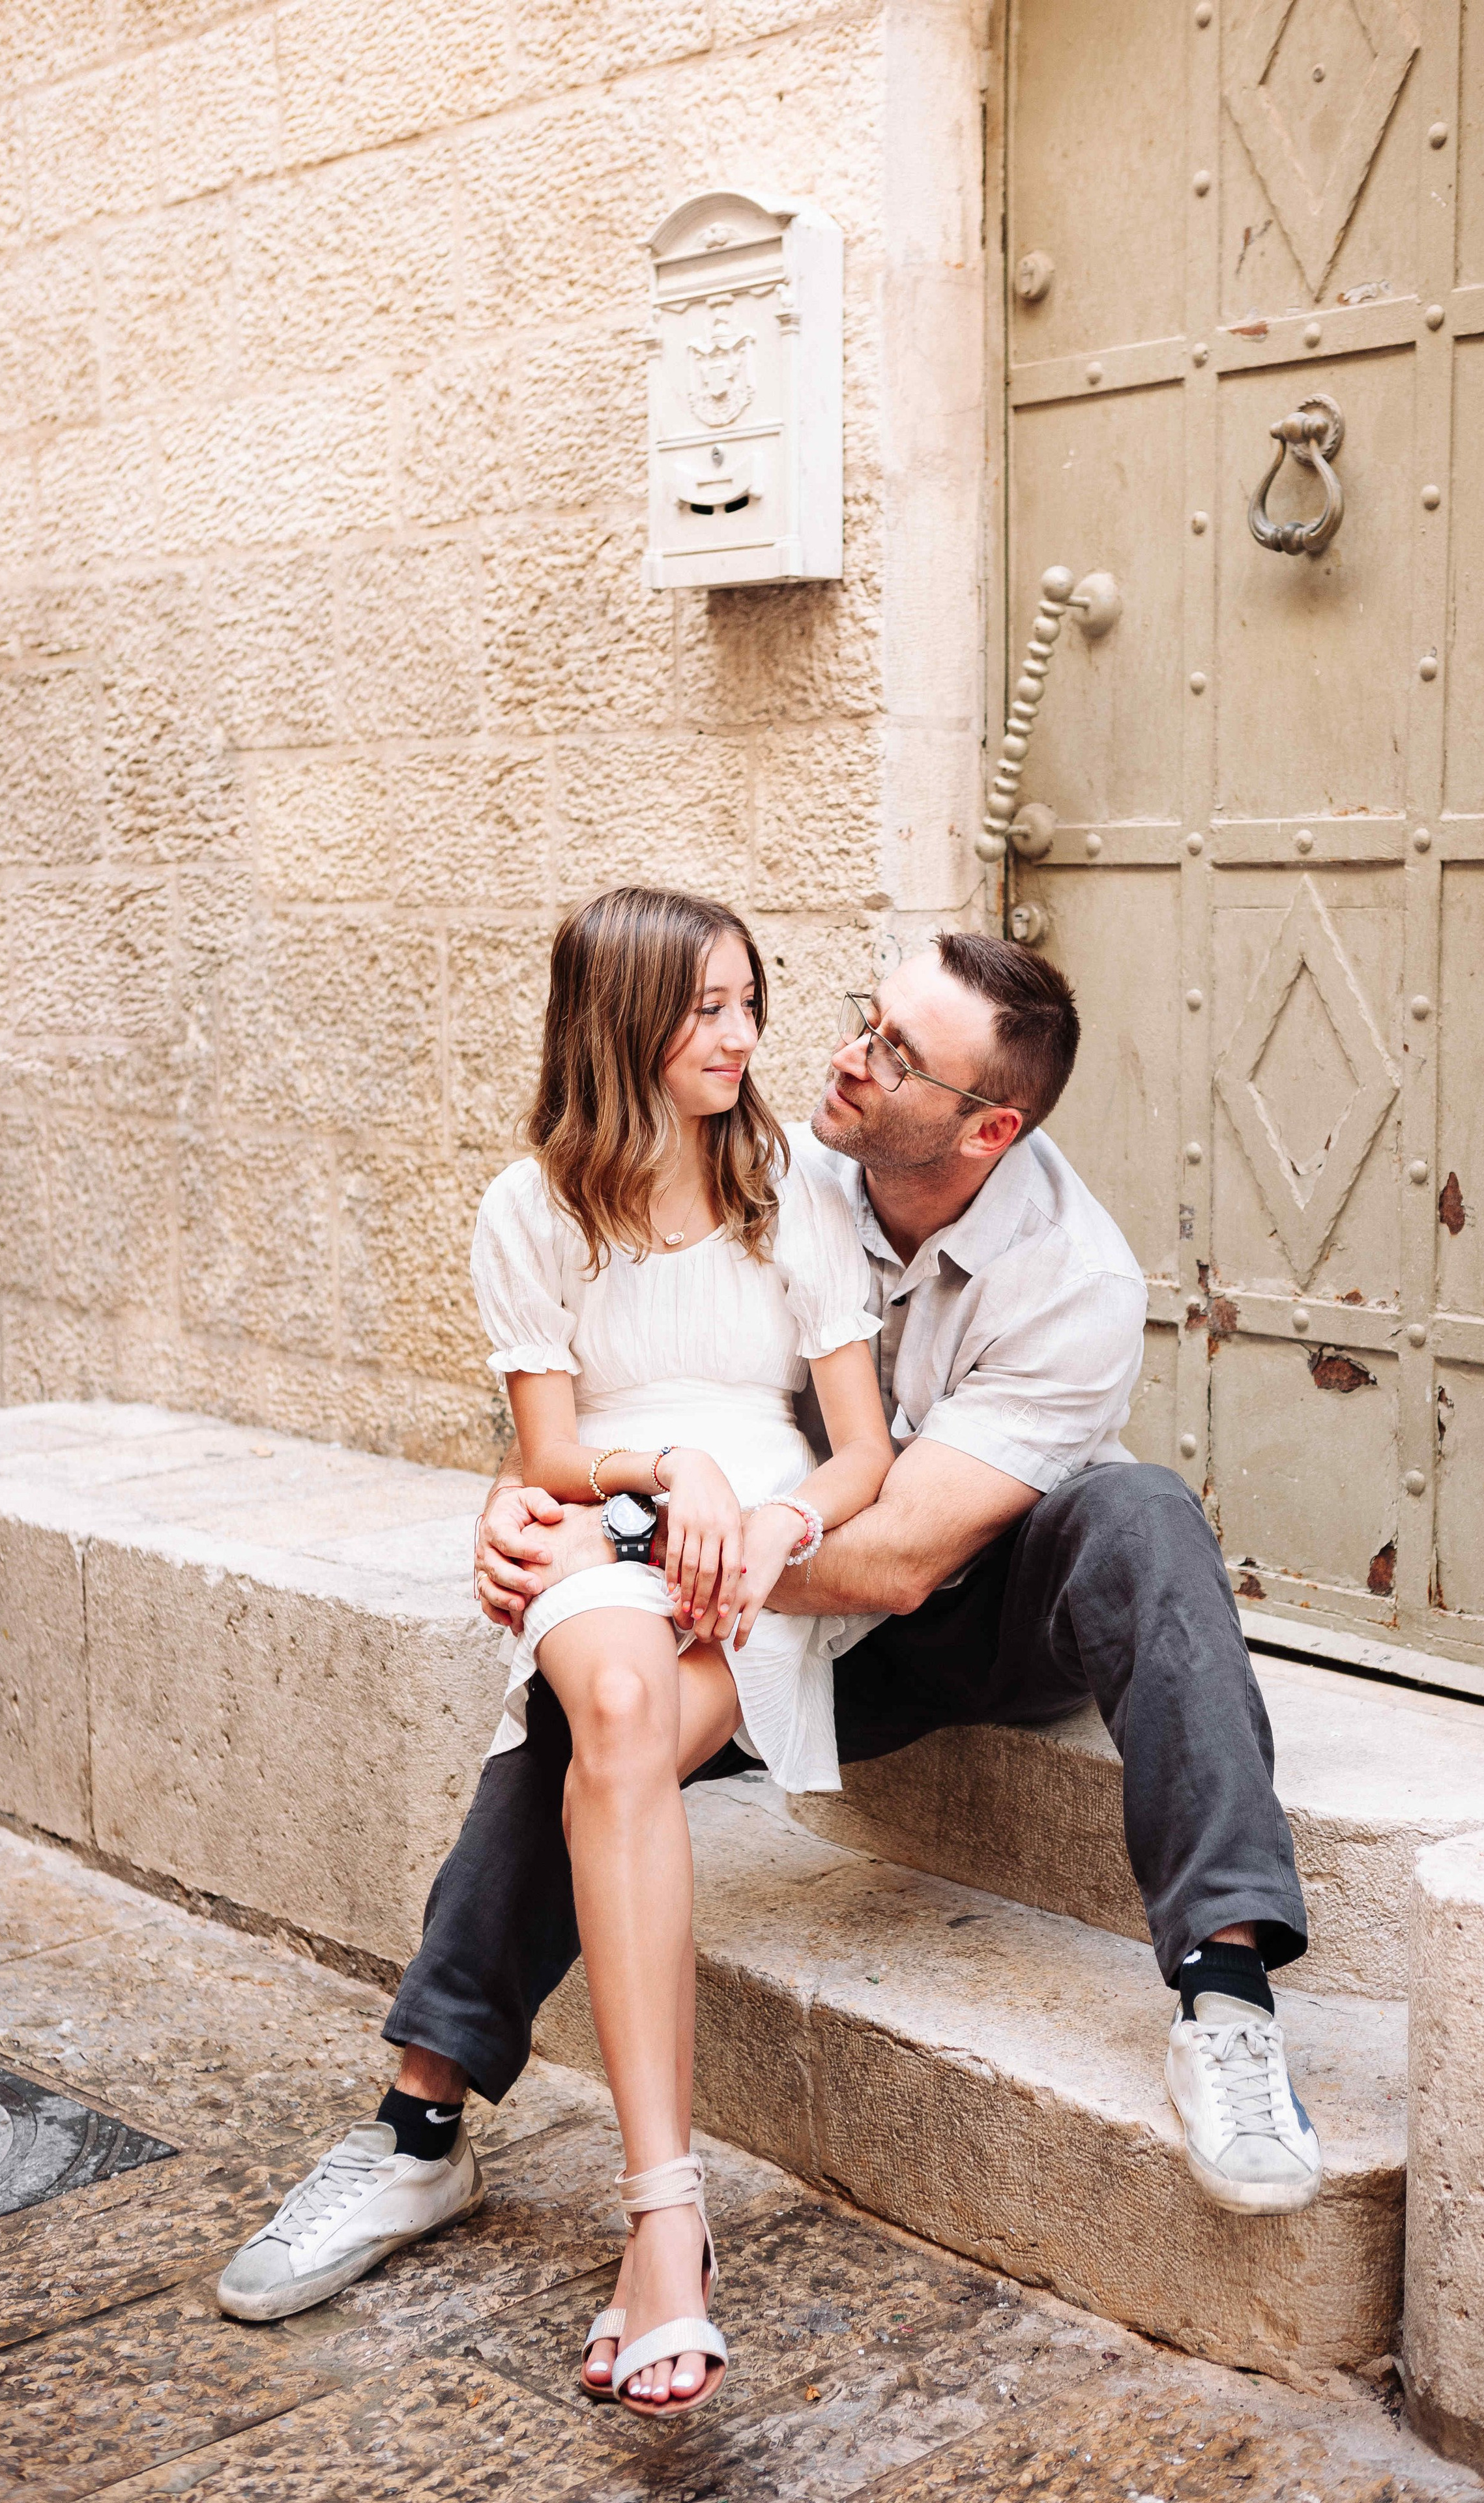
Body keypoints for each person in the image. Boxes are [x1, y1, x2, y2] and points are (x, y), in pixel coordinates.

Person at [218, 922, 1321, 2369]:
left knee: (1143, 1515)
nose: (842, 1059)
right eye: (861, 1022)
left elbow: (911, 1551)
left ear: (984, 1126)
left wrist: (632, 1560)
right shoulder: (779, 1168)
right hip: (767, 1605)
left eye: (892, 1055)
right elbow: (612, 1374)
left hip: (959, 1615)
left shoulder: (1075, 1280)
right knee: (586, 1707)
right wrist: (524, 1508)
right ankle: (417, 2129)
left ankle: (1224, 2001)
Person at [216, 888, 894, 2421]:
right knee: (607, 1695)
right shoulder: (532, 1209)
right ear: (621, 1021)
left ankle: (500, 2164)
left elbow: (860, 1454)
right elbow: (549, 1453)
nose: (739, 1036)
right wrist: (668, 1475)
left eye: (746, 1003)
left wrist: (767, 1525)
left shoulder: (794, 1192)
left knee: (603, 1742)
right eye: (705, 1007)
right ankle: (669, 2212)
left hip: (764, 1565)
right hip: (614, 1527)